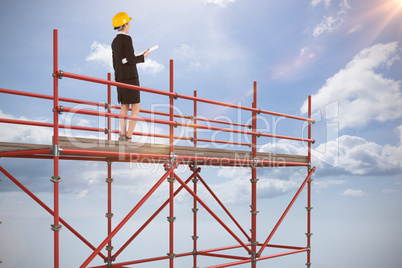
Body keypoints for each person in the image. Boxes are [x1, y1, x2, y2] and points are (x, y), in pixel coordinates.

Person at [111, 12, 149, 142]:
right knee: (136, 107)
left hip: (119, 77)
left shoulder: (114, 41)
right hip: (131, 78)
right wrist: (144, 56)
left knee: (124, 106)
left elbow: (116, 62)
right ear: (125, 24)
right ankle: (128, 137)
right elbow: (131, 59)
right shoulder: (127, 39)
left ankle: (122, 134)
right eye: (128, 23)